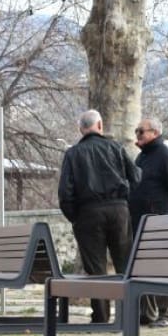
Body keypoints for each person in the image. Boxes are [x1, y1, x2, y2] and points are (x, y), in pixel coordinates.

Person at [57, 109, 137, 323]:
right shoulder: (116, 147)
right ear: (100, 126)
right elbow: (136, 176)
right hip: (118, 209)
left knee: (96, 267)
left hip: (88, 212)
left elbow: (65, 193)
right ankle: (130, 314)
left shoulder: (73, 154)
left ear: (80, 129)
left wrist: (75, 217)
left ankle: (101, 316)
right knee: (125, 263)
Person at [130, 117, 168, 328]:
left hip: (161, 220)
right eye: (136, 131)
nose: (137, 135)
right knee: (142, 267)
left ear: (154, 133)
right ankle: (147, 312)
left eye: (141, 131)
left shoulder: (166, 156)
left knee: (163, 267)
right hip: (141, 222)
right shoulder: (141, 158)